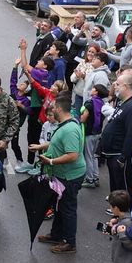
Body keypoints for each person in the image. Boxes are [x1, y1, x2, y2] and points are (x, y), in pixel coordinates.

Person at [31, 94, 87, 254]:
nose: (51, 109)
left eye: (54, 107)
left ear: (60, 109)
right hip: (61, 175)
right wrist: (42, 147)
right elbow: (59, 142)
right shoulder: (65, 124)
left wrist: (50, 162)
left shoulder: (69, 129)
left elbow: (72, 155)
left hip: (70, 177)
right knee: (59, 206)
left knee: (67, 208)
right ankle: (56, 235)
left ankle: (70, 242)